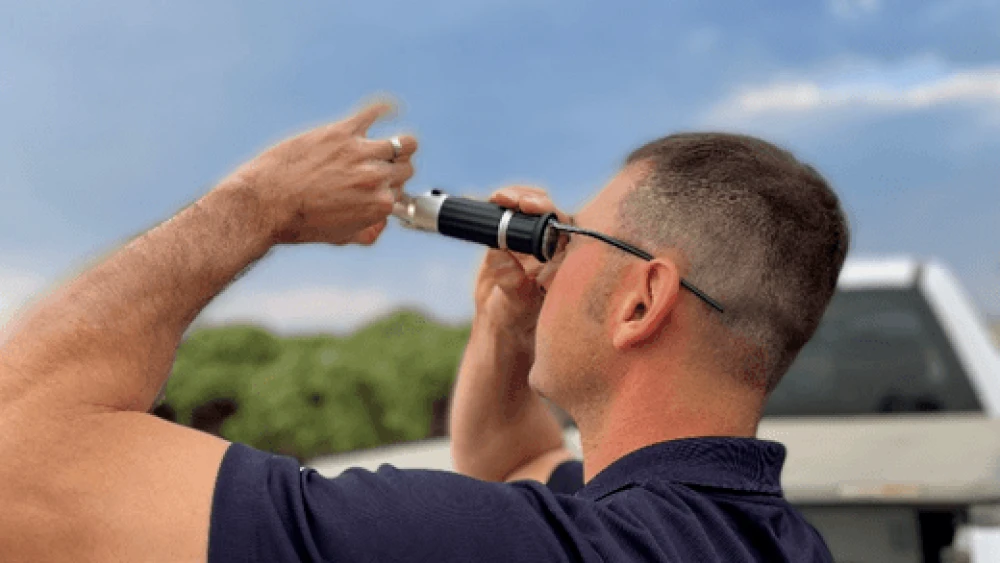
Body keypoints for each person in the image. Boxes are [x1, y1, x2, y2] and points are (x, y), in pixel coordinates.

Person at [0, 97, 848, 562]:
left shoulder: (484, 543)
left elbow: (21, 452)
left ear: (641, 301)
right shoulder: (766, 538)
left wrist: (259, 201)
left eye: (574, 237)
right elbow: (508, 461)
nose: (551, 261)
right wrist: (508, 324)